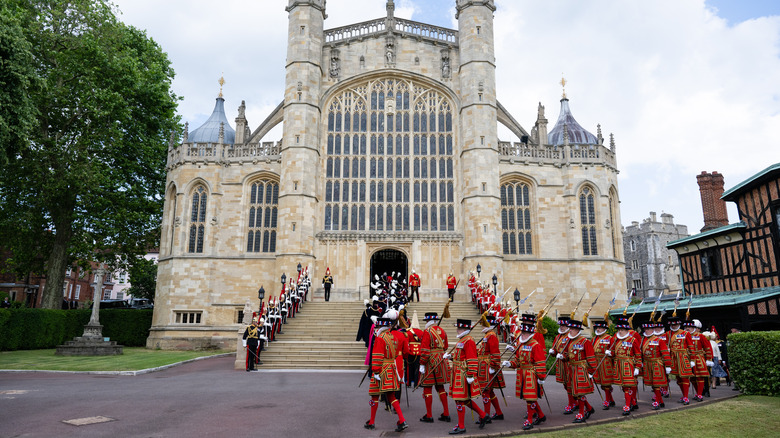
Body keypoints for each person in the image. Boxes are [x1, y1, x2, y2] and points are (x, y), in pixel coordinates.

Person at [446, 318, 489, 435]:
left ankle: (461, 426)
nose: (457, 330)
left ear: (464, 329)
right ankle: (483, 414)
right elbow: (460, 356)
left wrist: (470, 374)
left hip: (463, 374)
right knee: (464, 400)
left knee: (459, 400)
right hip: (457, 373)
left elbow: (472, 359)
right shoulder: (462, 340)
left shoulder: (468, 341)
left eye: (459, 328)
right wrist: (451, 357)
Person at [365, 317, 408, 432]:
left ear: (380, 326)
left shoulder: (380, 338)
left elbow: (378, 355)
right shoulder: (392, 337)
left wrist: (375, 370)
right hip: (391, 368)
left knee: (374, 395)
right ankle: (402, 420)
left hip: (381, 369)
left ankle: (372, 422)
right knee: (391, 396)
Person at [502, 321, 547, 430]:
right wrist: (510, 364)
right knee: (529, 398)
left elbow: (540, 362)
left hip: (532, 374)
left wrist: (541, 377)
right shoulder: (521, 345)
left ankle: (530, 420)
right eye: (522, 332)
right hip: (522, 374)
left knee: (530, 398)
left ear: (529, 333)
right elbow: (517, 361)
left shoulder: (535, 345)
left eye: (524, 332)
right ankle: (541, 415)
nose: (521, 334)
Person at [559, 320, 597, 424]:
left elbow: (591, 357)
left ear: (577, 330)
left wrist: (591, 371)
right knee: (574, 393)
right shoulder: (569, 341)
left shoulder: (585, 342)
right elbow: (567, 355)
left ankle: (581, 413)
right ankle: (589, 408)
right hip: (571, 369)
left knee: (580, 393)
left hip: (581, 369)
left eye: (572, 329)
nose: (570, 331)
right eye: (570, 329)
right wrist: (563, 357)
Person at [418, 312, 451, 423]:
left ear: (428, 321)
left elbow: (425, 350)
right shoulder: (443, 331)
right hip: (441, 360)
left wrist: (422, 363)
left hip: (430, 361)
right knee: (440, 387)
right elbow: (445, 346)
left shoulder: (427, 332)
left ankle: (429, 415)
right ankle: (446, 413)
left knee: (427, 388)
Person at [611, 318, 642, 415]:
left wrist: (637, 367)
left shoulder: (633, 340)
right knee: (624, 386)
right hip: (618, 365)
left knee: (628, 386)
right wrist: (609, 353)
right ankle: (632, 402)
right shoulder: (615, 339)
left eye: (622, 330)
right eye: (619, 330)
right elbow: (613, 352)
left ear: (626, 330)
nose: (620, 332)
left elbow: (638, 354)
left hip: (628, 365)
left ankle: (627, 406)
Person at [477, 315, 505, 421]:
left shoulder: (491, 335)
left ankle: (486, 415)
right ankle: (499, 412)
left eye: (483, 324)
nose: (481, 326)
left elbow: (495, 353)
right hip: (484, 366)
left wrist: (493, 365)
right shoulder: (487, 335)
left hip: (488, 367)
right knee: (490, 391)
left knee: (485, 391)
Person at [640, 321, 672, 410]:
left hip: (657, 364)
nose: (647, 331)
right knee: (652, 385)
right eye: (645, 329)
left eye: (649, 329)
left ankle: (657, 402)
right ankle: (661, 401)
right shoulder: (643, 340)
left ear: (653, 329)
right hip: (647, 364)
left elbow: (665, 353)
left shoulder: (659, 340)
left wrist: (668, 365)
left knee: (657, 384)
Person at [666, 316, 695, 404]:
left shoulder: (686, 333)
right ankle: (683, 395)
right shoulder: (668, 334)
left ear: (679, 324)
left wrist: (692, 359)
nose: (674, 326)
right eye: (672, 325)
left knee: (685, 378)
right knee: (678, 379)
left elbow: (691, 347)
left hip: (683, 357)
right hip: (673, 358)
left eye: (676, 324)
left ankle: (686, 397)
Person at [685, 319, 714, 401]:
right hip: (687, 358)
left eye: (690, 327)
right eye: (686, 327)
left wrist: (709, 359)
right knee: (692, 378)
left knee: (700, 377)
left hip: (698, 358)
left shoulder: (700, 336)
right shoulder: (684, 336)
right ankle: (698, 392)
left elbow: (707, 348)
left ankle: (700, 394)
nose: (688, 328)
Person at [591, 321, 616, 410]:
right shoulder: (594, 339)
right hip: (597, 362)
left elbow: (614, 351)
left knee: (606, 384)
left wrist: (610, 353)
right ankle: (611, 400)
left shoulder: (610, 338)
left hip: (606, 362)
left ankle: (607, 401)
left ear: (604, 329)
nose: (597, 329)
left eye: (600, 328)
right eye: (597, 328)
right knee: (602, 384)